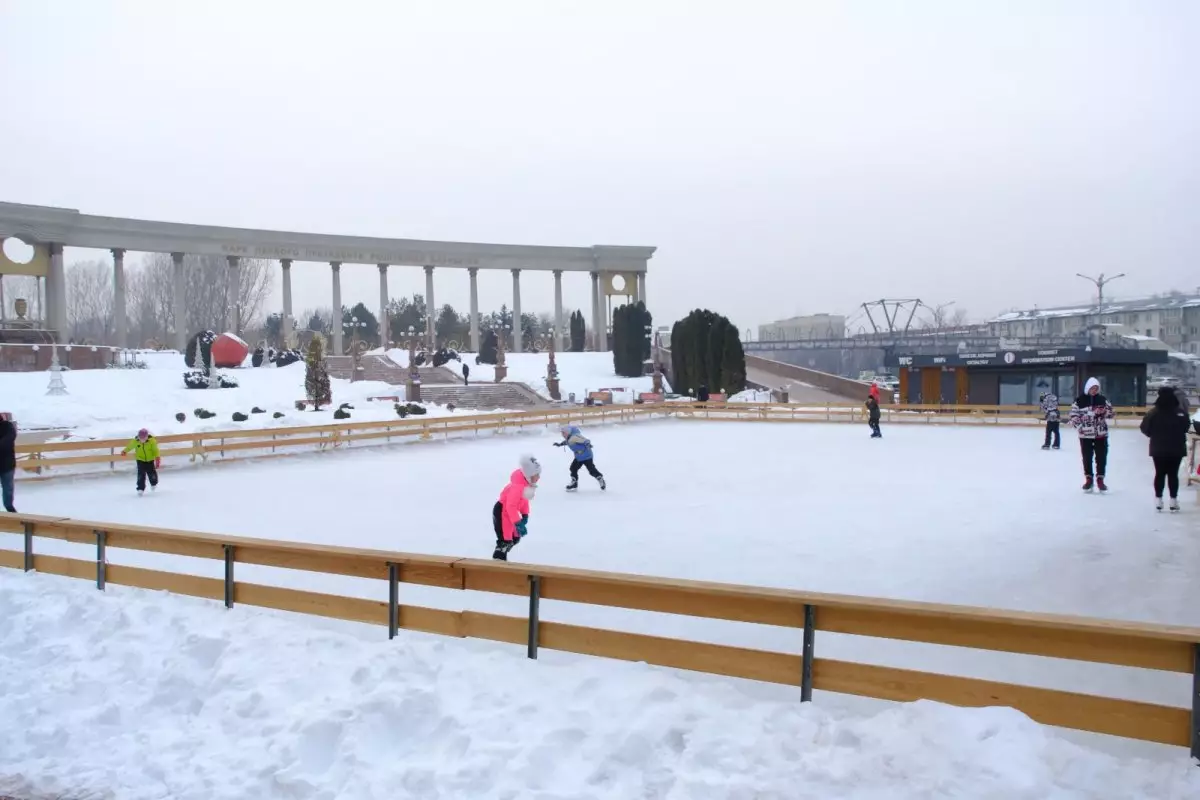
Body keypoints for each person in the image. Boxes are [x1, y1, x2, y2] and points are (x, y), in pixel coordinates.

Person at [1139, 387, 1190, 512]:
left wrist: (1154, 436)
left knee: (1159, 474)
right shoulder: (1180, 412)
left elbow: (1144, 427)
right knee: (1173, 474)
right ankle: (1173, 500)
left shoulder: (1153, 413)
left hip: (1158, 448)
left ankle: (1158, 499)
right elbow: (1186, 426)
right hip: (1176, 447)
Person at [1069, 377, 1114, 492]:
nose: (1094, 390)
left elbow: (1111, 413)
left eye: (1096, 388)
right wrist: (1079, 425)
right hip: (1085, 435)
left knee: (1101, 457)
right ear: (1087, 388)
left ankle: (1100, 479)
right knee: (1087, 457)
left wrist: (1105, 412)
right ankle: (1089, 479)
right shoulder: (1079, 400)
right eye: (1092, 388)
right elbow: (1073, 415)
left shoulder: (1103, 400)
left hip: (1101, 434)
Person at [493, 454, 540, 560]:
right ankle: (498, 560)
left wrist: (524, 514)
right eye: (536, 474)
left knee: (515, 538)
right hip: (502, 512)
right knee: (505, 541)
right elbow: (511, 506)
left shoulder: (525, 485)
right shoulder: (517, 488)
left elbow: (524, 502)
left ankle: (502, 555)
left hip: (510, 514)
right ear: (529, 475)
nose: (538, 477)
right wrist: (518, 523)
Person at [555, 424, 606, 491]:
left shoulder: (575, 437)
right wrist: (560, 444)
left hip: (587, 456)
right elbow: (567, 442)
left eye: (563, 433)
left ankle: (600, 479)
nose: (562, 435)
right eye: (562, 433)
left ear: (568, 432)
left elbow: (585, 440)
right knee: (573, 468)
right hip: (579, 457)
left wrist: (588, 444)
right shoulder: (569, 438)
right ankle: (574, 483)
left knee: (591, 470)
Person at [122, 428, 161, 495]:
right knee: (141, 474)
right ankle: (140, 488)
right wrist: (125, 451)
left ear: (147, 437)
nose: (142, 440)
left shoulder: (152, 441)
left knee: (151, 473)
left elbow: (155, 450)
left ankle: (153, 483)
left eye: (144, 438)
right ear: (138, 437)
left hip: (150, 460)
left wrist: (157, 458)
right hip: (140, 460)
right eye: (141, 438)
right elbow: (130, 446)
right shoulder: (135, 441)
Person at [0, 413, 17, 513]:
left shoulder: (7, 426)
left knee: (8, 489)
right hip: (7, 464)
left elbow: (8, 440)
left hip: (7, 465)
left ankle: (10, 509)